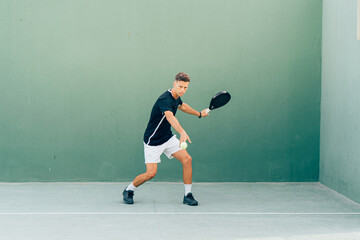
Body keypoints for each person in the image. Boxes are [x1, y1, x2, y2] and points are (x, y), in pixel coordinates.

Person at [123, 72, 209, 206]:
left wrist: (199, 114)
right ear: (174, 84)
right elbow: (170, 116)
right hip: (153, 140)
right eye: (180, 86)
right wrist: (182, 132)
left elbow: (182, 106)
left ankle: (188, 195)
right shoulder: (165, 99)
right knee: (151, 173)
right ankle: (129, 190)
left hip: (167, 138)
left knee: (187, 159)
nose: (182, 90)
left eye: (185, 87)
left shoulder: (176, 97)